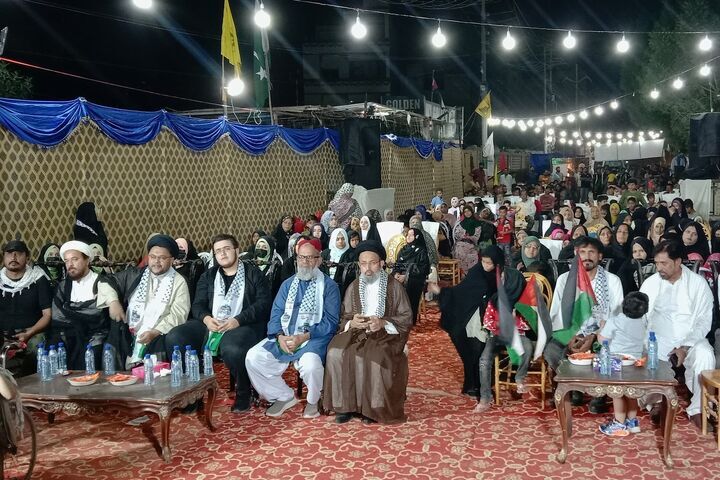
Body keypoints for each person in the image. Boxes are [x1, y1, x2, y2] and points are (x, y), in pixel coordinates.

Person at [169, 234, 272, 413]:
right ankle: (192, 393)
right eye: (218, 251)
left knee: (232, 347)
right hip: (212, 322)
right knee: (176, 336)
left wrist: (238, 320)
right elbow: (198, 305)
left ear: (237, 250)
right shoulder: (208, 276)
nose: (222, 254)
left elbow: (263, 304)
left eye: (226, 249)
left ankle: (244, 392)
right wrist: (206, 319)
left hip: (244, 323)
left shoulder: (254, 274)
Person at [245, 238, 341, 419]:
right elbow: (276, 313)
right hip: (285, 335)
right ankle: (283, 396)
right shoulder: (288, 284)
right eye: (301, 257)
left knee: (311, 365)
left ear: (319, 260)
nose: (305, 262)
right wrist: (279, 336)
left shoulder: (329, 287)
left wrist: (304, 337)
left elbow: (330, 321)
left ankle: (313, 400)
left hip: (313, 338)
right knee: (253, 357)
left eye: (310, 258)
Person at [323, 241, 413, 424]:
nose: (368, 269)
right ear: (359, 265)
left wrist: (383, 322)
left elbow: (406, 317)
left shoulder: (394, 287)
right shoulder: (353, 286)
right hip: (356, 332)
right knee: (335, 352)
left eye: (372, 263)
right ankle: (344, 406)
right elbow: (345, 316)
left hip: (386, 334)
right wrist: (351, 322)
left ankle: (373, 409)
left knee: (374, 356)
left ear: (381, 263)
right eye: (363, 264)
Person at [640, 240, 715, 430]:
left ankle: (698, 409)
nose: (659, 268)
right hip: (658, 337)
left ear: (678, 261)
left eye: (664, 263)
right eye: (657, 263)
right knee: (646, 352)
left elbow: (704, 321)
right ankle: (655, 402)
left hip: (691, 338)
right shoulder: (651, 283)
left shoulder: (697, 284)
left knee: (706, 355)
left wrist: (685, 346)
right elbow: (641, 318)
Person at [96, 234, 190, 366]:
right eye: (153, 257)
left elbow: (178, 314)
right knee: (113, 339)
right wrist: (113, 301)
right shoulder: (134, 274)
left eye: (162, 258)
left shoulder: (179, 282)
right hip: (129, 331)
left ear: (172, 260)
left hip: (158, 334)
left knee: (155, 362)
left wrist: (155, 332)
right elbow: (106, 281)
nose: (156, 261)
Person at [544, 237, 624, 373]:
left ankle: (597, 385)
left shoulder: (612, 281)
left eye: (591, 252)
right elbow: (555, 314)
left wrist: (593, 336)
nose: (587, 257)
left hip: (601, 334)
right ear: (576, 255)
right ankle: (568, 383)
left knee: (612, 351)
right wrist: (570, 336)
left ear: (600, 256)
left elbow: (617, 316)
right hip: (569, 332)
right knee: (552, 351)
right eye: (582, 252)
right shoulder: (564, 279)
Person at [474, 246, 528, 413]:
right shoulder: (492, 294)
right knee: (484, 360)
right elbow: (488, 319)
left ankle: (519, 379)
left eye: (488, 263)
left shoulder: (516, 283)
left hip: (517, 332)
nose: (485, 266)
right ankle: (485, 397)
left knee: (526, 349)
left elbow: (527, 316)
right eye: (483, 262)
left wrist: (516, 315)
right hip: (496, 333)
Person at [48, 241, 110, 370]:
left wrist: (70, 310)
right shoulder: (63, 286)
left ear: (87, 260)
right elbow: (58, 316)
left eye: (75, 259)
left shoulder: (101, 282)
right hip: (68, 333)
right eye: (66, 261)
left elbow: (99, 314)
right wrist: (80, 314)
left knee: (92, 353)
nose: (70, 265)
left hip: (95, 334)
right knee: (53, 350)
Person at [597, 292, 650, 436]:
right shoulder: (642, 323)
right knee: (631, 393)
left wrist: (601, 328)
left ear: (623, 306)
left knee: (617, 393)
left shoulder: (615, 321)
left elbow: (602, 340)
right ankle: (632, 422)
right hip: (635, 363)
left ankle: (619, 423)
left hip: (617, 362)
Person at [0, 240, 52, 375]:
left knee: (37, 348)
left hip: (33, 332)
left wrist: (29, 333)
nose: (13, 257)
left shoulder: (38, 279)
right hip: (3, 333)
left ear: (27, 258)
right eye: (9, 253)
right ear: (3, 257)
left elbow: (47, 315)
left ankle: (30, 383)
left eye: (18, 253)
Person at [392, 228, 430, 323]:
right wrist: (396, 273)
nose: (408, 237)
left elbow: (423, 269)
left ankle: (408, 319)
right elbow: (397, 265)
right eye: (407, 235)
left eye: (411, 235)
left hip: (414, 278)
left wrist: (406, 276)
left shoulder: (421, 251)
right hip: (400, 277)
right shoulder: (403, 250)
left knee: (411, 285)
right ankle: (394, 316)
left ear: (416, 237)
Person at [452, 206, 482, 274]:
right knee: (461, 261)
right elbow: (456, 234)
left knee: (473, 264)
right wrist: (463, 236)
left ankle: (471, 277)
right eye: (465, 212)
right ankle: (462, 277)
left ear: (472, 211)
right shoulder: (461, 223)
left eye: (469, 211)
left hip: (471, 246)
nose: (467, 213)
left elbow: (477, 236)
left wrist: (470, 237)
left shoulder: (477, 223)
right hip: (460, 246)